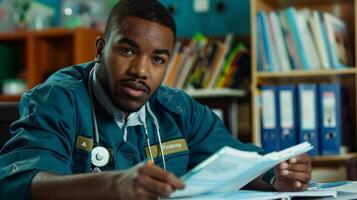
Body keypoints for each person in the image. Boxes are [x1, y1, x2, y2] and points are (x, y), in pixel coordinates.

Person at [0, 0, 312, 199]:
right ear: (99, 50)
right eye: (127, 50)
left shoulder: (178, 108)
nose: (140, 70)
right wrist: (113, 185)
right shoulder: (56, 99)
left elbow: (239, 163)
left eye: (158, 59)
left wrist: (277, 176)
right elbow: (18, 184)